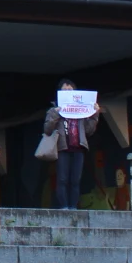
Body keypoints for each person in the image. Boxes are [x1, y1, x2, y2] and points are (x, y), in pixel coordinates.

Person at [42, 81, 99, 210]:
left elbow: (89, 130)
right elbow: (47, 130)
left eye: (70, 90)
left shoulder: (81, 111)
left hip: (78, 148)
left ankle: (73, 206)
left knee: (76, 180)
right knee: (62, 179)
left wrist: (95, 114)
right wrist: (56, 113)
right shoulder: (53, 110)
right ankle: (64, 206)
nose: (68, 92)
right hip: (62, 148)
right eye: (65, 90)